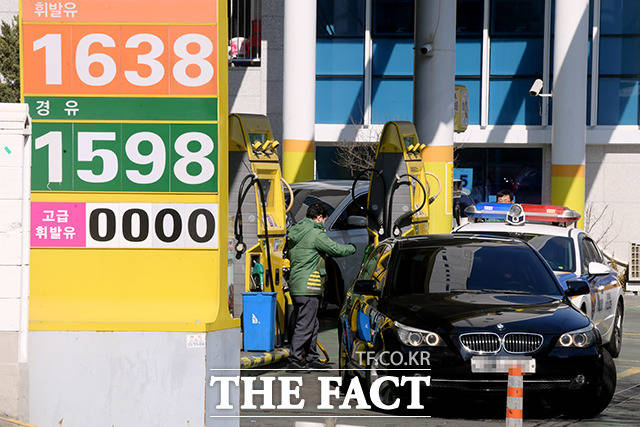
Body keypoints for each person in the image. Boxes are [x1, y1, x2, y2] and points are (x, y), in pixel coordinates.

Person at [285, 202, 356, 369]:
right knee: (305, 324)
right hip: (309, 285)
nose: (325, 222)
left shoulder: (297, 231)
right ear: (318, 218)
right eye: (325, 219)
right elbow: (335, 249)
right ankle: (295, 359)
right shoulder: (315, 233)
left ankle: (311, 357)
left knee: (312, 323)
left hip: (297, 284)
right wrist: (352, 248)